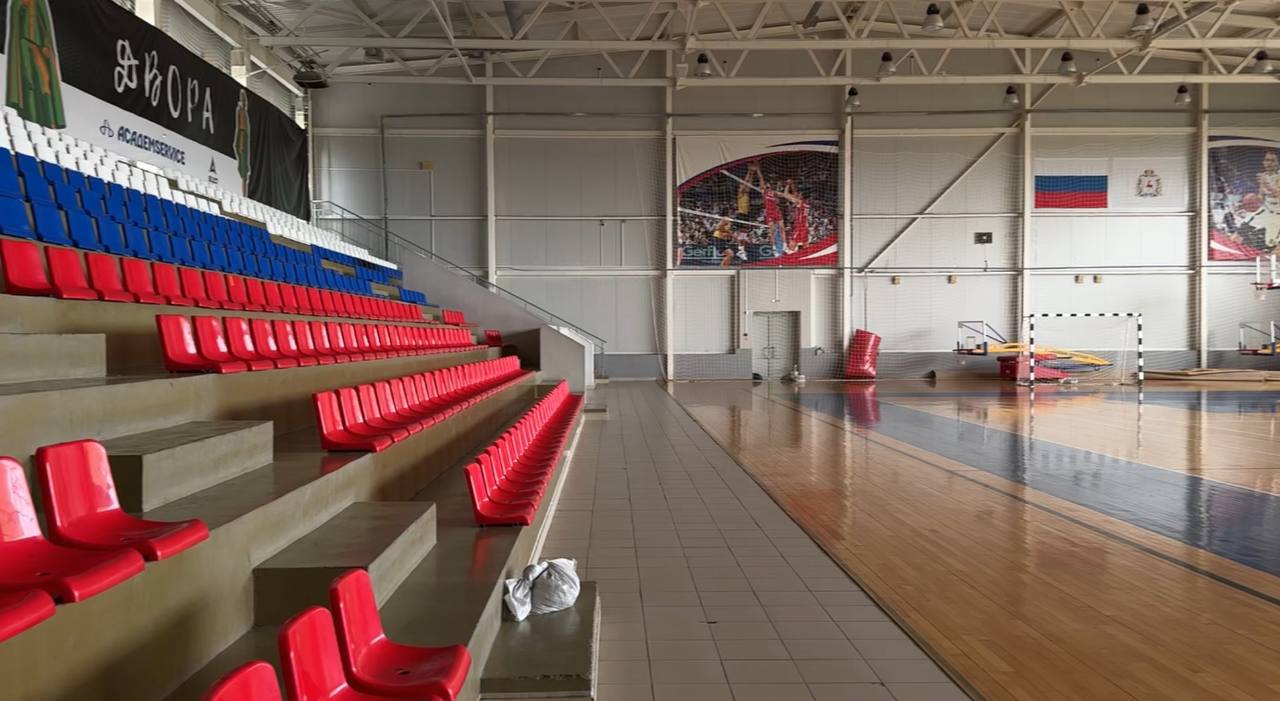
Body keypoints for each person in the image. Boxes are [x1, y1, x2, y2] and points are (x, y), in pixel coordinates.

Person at [5, 0, 65, 129]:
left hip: (39, 46)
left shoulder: (40, 2)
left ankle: (49, 120)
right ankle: (31, 119)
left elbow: (44, 24)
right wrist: (22, 7)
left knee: (45, 81)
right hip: (23, 43)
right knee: (29, 82)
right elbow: (16, 18)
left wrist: (46, 43)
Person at [754, 165, 786, 257]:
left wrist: (785, 187)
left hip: (776, 211)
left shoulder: (774, 193)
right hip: (769, 213)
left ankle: (785, 246)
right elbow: (761, 179)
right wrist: (758, 169)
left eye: (768, 185)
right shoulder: (764, 192)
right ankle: (774, 248)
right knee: (772, 231)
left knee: (782, 228)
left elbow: (783, 195)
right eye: (766, 185)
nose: (767, 185)